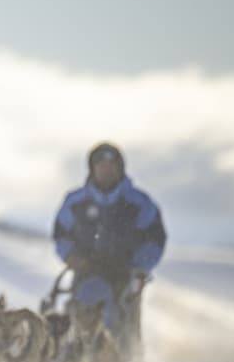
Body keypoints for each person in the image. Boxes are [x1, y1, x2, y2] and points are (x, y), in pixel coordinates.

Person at [52, 142, 166, 333]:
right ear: (92, 169)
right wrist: (71, 256)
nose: (106, 171)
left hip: (124, 275)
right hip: (85, 272)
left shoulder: (138, 202)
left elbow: (155, 239)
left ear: (119, 168)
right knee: (77, 320)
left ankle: (125, 360)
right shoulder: (75, 202)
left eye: (111, 166)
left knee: (123, 325)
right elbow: (61, 234)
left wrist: (138, 267)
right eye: (101, 166)